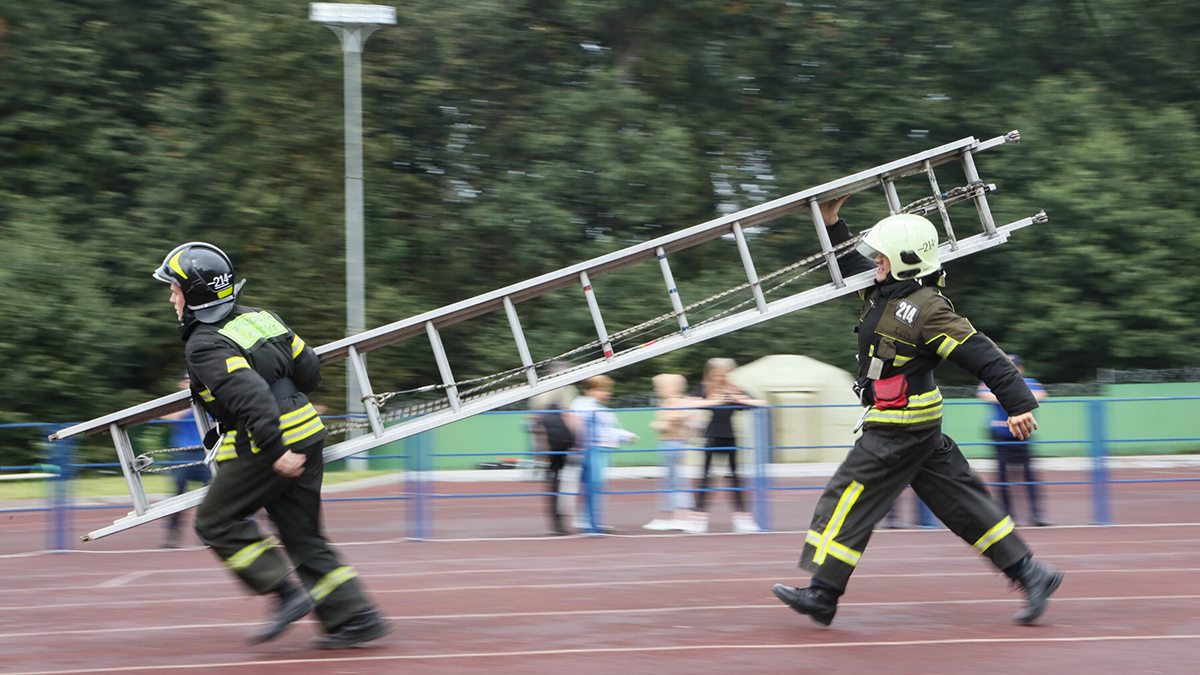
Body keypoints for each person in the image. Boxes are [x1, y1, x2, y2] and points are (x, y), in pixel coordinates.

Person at [771, 198, 1063, 627]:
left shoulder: (929, 309)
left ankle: (822, 593)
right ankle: (1032, 574)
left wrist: (1017, 404)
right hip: (913, 426)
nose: (875, 263)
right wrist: (832, 222)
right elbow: (847, 261)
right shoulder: (880, 290)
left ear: (904, 264)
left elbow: (984, 356)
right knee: (963, 502)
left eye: (883, 259)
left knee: (845, 499)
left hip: (899, 427)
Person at [152, 242, 388, 648]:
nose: (171, 298)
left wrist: (277, 451)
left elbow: (252, 399)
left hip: (271, 443)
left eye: (174, 289)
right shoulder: (261, 318)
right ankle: (357, 616)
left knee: (215, 521)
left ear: (195, 295)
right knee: (302, 533)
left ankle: (286, 593)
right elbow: (309, 369)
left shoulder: (204, 343)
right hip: (309, 431)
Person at [687, 358, 765, 534]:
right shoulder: (705, 388)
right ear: (711, 372)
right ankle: (698, 518)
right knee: (706, 477)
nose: (722, 375)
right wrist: (713, 401)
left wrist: (737, 398)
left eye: (726, 371)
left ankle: (742, 518)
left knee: (736, 477)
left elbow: (760, 403)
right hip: (712, 437)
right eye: (718, 371)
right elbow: (689, 402)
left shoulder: (734, 389)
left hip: (730, 437)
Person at [978, 355, 1049, 526]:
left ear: (1021, 369)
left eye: (1015, 366)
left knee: (1029, 474)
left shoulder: (1029, 381)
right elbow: (982, 394)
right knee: (1002, 476)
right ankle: (1006, 515)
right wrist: (1015, 395)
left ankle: (1037, 515)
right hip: (1000, 433)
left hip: (1023, 433)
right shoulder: (992, 380)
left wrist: (1008, 394)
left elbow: (1041, 394)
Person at [564, 375, 638, 532]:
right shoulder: (583, 405)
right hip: (591, 449)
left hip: (599, 449)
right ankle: (589, 520)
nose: (608, 394)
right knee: (593, 485)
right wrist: (625, 436)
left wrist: (625, 436)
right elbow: (583, 428)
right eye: (604, 390)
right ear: (592, 389)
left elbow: (606, 431)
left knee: (593, 485)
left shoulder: (596, 407)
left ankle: (588, 519)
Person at [161, 372, 212, 549]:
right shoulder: (177, 404)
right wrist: (188, 401)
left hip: (205, 453)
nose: (190, 384)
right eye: (186, 382)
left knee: (212, 493)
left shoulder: (208, 401)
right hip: (183, 453)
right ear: (181, 384)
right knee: (177, 493)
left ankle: (206, 531)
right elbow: (168, 417)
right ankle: (172, 532)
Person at [527, 364, 579, 536]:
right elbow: (568, 414)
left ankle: (555, 519)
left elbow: (533, 419)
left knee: (553, 479)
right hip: (560, 439)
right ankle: (564, 520)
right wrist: (576, 439)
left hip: (544, 440)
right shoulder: (567, 388)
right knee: (565, 479)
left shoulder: (539, 388)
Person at [642, 374, 696, 531]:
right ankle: (668, 516)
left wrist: (660, 424)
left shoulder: (678, 402)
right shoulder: (668, 402)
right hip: (669, 443)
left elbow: (675, 421)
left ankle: (681, 516)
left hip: (674, 443)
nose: (656, 389)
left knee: (675, 481)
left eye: (659, 386)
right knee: (670, 481)